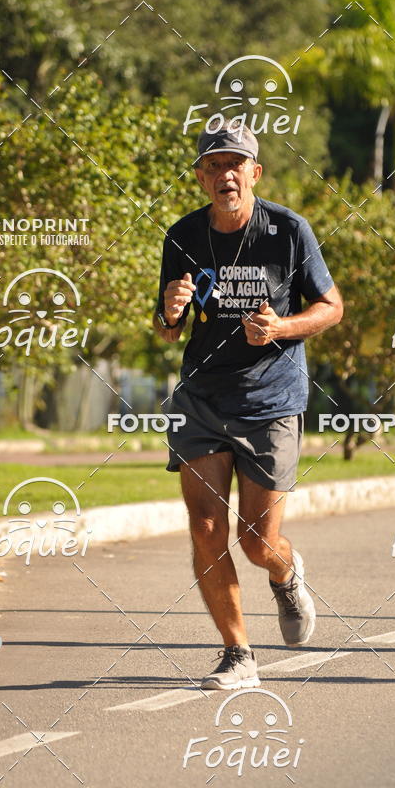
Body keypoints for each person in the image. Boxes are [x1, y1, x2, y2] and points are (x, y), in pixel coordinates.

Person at [154, 123, 343, 690]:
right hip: (202, 398)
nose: (225, 175)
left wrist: (281, 328)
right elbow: (168, 329)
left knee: (257, 543)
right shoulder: (183, 235)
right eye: (213, 165)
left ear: (255, 173)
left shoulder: (288, 231)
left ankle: (285, 573)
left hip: (270, 400)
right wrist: (169, 311)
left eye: (235, 164)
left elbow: (331, 307)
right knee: (206, 528)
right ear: (200, 177)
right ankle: (238, 654)